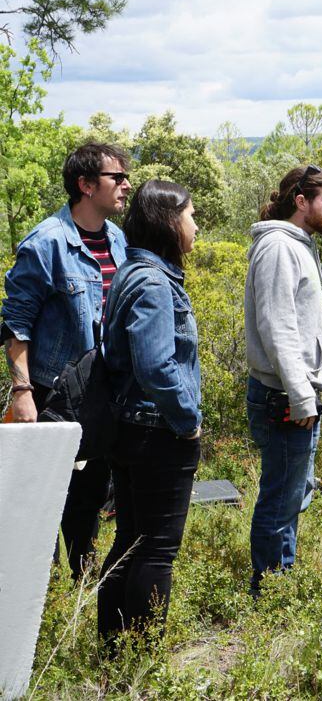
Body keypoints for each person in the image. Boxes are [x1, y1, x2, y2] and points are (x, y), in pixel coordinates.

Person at [1, 142, 131, 581]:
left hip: (101, 391)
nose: (126, 186)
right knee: (42, 503)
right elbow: (15, 325)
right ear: (86, 184)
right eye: (117, 177)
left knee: (89, 500)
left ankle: (79, 591)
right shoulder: (46, 243)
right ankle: (39, 604)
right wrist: (23, 394)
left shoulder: (117, 239)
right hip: (51, 393)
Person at [96, 180, 203, 647]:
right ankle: (141, 657)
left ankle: (113, 648)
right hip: (157, 433)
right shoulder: (155, 284)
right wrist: (188, 420)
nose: (195, 226)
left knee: (131, 541)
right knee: (157, 550)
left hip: (131, 429)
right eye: (190, 216)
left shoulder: (133, 272)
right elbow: (156, 363)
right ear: (168, 222)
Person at [245, 165, 322, 596]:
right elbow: (277, 324)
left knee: (295, 492)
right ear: (301, 202)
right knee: (281, 497)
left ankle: (281, 582)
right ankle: (270, 591)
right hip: (283, 395)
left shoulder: (298, 245)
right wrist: (301, 396)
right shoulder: (279, 247)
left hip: (296, 393)